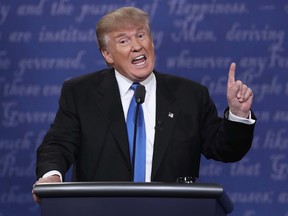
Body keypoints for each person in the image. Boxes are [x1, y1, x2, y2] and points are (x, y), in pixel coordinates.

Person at [32, 6, 256, 202]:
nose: (137, 46)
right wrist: (51, 175)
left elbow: (225, 149)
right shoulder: (81, 93)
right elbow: (58, 143)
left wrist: (237, 116)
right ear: (107, 54)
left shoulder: (190, 95)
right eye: (123, 40)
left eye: (141, 35)